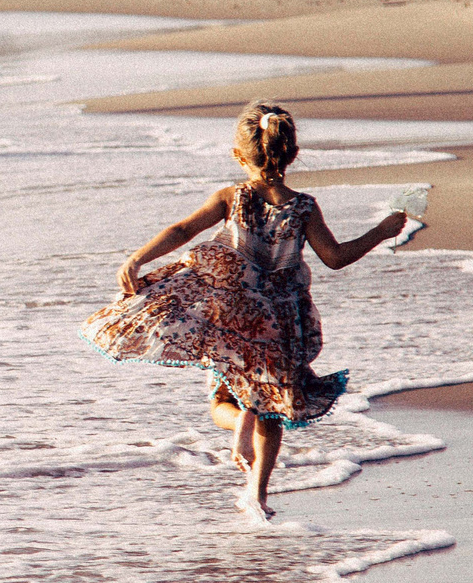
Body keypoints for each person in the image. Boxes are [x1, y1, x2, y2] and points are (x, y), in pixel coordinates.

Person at [82, 102, 407, 519]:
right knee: (271, 405)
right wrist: (380, 232)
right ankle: (257, 493)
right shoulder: (304, 207)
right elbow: (336, 257)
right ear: (291, 154)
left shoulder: (230, 197)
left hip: (233, 319)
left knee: (225, 401)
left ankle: (239, 425)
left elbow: (182, 230)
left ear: (239, 156)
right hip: (283, 320)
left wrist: (136, 259)